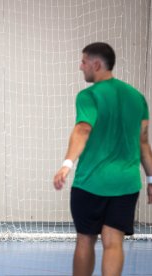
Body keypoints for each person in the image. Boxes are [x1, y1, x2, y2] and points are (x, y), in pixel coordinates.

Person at [53, 42, 152, 276]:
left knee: (85, 240)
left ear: (96, 64)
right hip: (126, 184)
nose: (81, 67)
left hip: (91, 182)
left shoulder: (88, 96)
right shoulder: (138, 98)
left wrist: (67, 164)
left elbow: (83, 130)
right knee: (113, 242)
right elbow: (143, 142)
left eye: (84, 61)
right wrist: (151, 179)